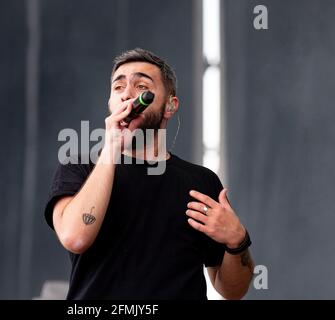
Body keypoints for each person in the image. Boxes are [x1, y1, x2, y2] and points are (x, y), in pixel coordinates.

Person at [44, 48, 254, 300]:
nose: (127, 95)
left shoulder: (200, 182)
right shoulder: (79, 166)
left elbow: (232, 291)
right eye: (118, 87)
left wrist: (237, 242)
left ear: (170, 105)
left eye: (141, 85)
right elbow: (76, 237)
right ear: (110, 103)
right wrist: (111, 147)